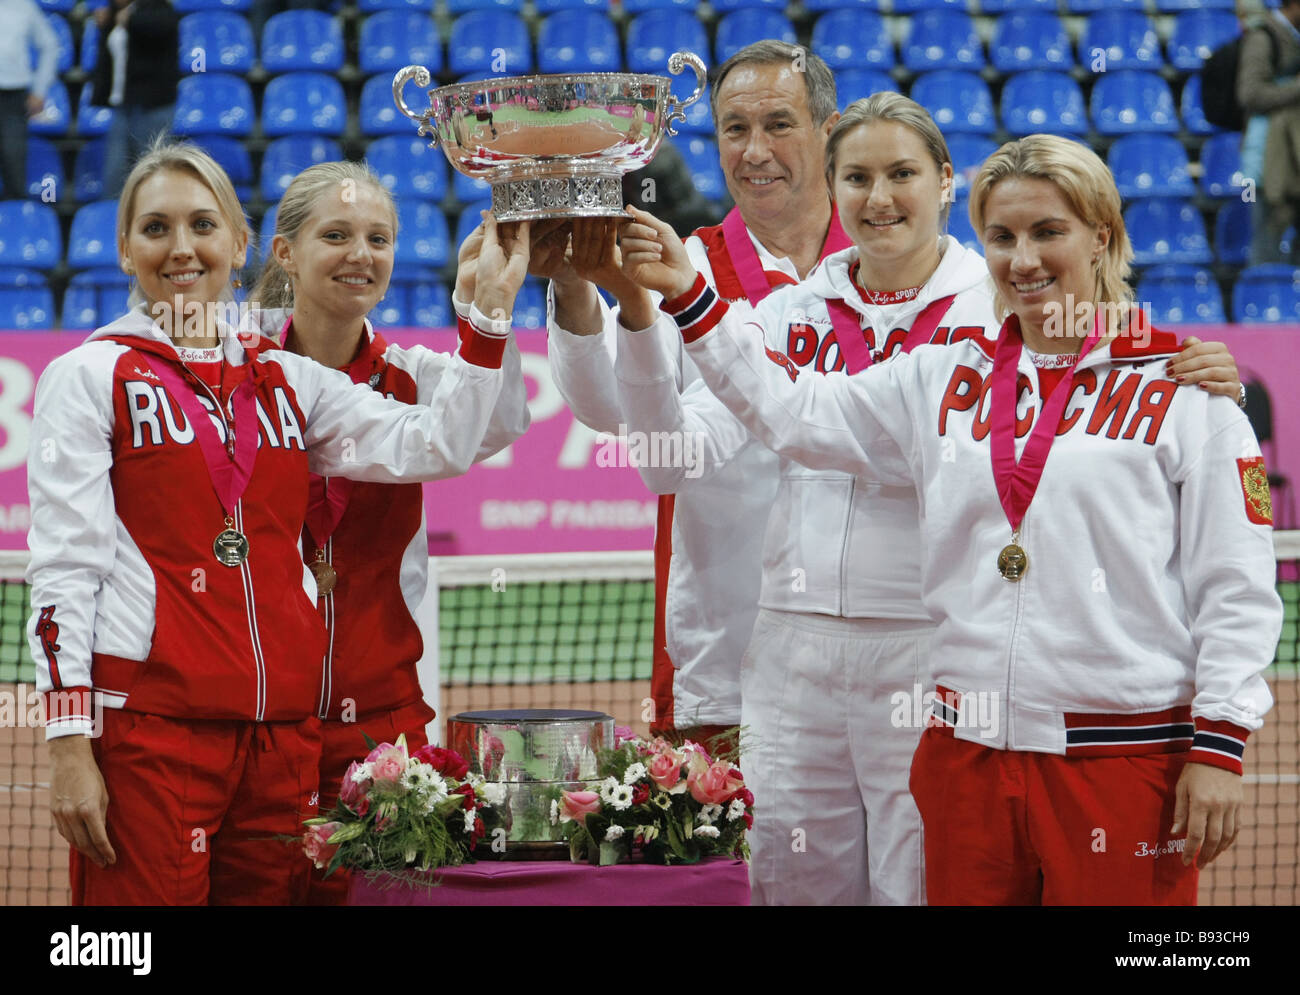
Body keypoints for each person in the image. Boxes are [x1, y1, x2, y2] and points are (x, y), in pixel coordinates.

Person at [621, 132, 1281, 905]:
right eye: (1002, 237)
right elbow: (793, 411)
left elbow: (1235, 586)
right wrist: (689, 298)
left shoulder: (1185, 390)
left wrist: (1220, 746)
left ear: (1101, 235)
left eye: (1047, 232)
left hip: (1119, 756)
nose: (1023, 260)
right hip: (966, 755)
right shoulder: (942, 375)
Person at [28, 139, 530, 906]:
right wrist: (68, 741)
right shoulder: (90, 374)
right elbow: (65, 565)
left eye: (202, 224)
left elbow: (439, 440)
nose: (181, 247)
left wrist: (488, 312)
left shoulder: (285, 380)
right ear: (125, 247)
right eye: (155, 228)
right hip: (156, 734)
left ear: (237, 241)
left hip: (277, 742)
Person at [540, 41, 851, 756]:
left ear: (828, 131)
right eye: (734, 130)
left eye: (779, 124)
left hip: (879, 646)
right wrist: (577, 282)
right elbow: (607, 411)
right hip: (726, 652)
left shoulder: (880, 272)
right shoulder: (685, 264)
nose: (755, 150)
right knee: (728, 871)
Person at [249, 161, 530, 905]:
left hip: (382, 718)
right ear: (285, 252)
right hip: (264, 716)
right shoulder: (242, 382)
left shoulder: (414, 376)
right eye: (335, 235)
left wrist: (482, 307)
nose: (360, 254)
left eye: (379, 238)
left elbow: (499, 421)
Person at [91, 0, 182, 197]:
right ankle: (114, 224)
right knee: (114, 174)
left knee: (154, 173)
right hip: (123, 105)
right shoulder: (115, 14)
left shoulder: (159, 10)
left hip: (153, 107)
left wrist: (131, 20)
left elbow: (158, 28)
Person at [1239, 0, 1300, 265]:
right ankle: (1262, 303)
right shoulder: (1264, 37)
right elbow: (1250, 94)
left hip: (1293, 159)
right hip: (1265, 161)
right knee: (1266, 245)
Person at [0, 0, 58, 199]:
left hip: (13, 97)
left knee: (14, 168)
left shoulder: (23, 6)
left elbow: (50, 45)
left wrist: (40, 90)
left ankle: (14, 227)